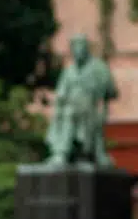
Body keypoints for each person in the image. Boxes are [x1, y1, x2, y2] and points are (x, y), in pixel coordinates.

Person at [44, 33, 119, 166]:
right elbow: (61, 93)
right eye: (75, 48)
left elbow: (112, 91)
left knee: (71, 114)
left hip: (89, 107)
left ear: (86, 49)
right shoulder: (69, 71)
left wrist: (100, 92)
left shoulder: (99, 68)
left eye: (81, 47)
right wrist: (59, 105)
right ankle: (61, 152)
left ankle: (68, 153)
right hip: (70, 107)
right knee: (66, 114)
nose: (77, 51)